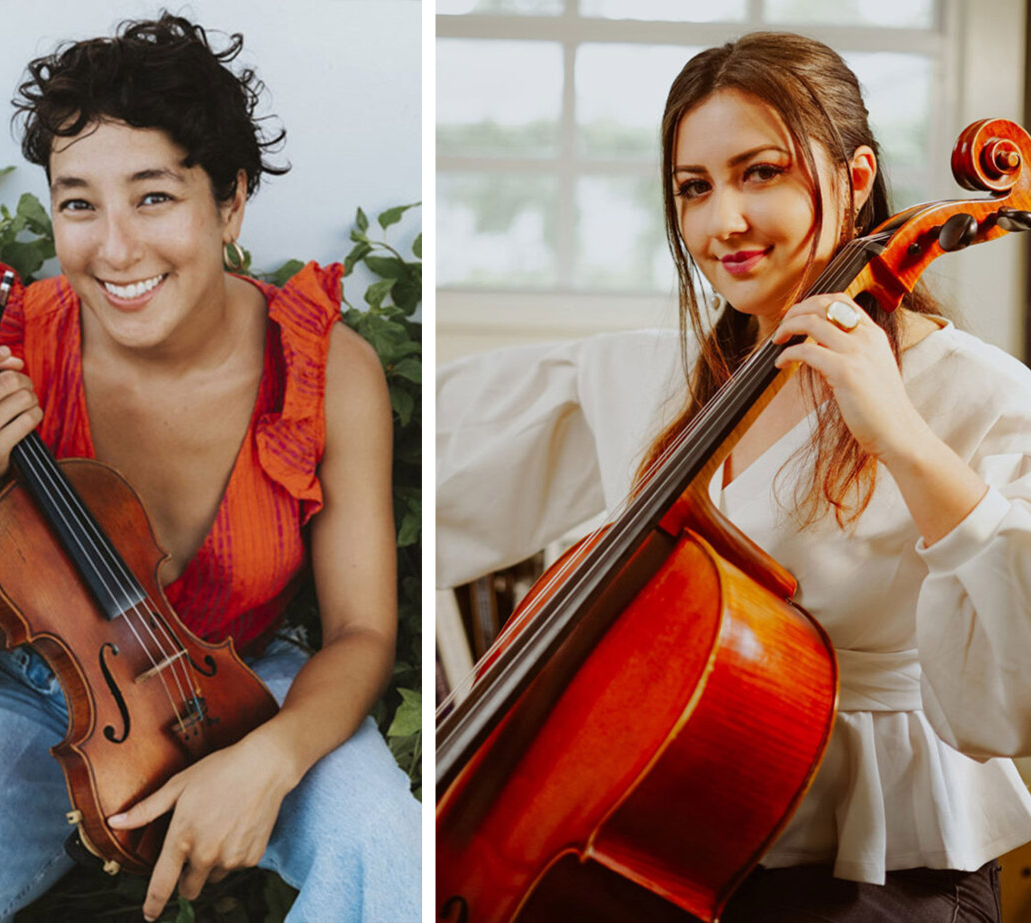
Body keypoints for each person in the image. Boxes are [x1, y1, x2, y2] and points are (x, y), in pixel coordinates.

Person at [0, 14, 419, 923]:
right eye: (78, 203)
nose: (114, 249)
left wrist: (266, 761)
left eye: (152, 197)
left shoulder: (326, 368)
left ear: (230, 200)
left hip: (256, 682)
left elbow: (363, 632)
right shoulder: (16, 342)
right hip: (54, 701)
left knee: (396, 866)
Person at [438, 31, 1031, 921]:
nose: (724, 224)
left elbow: (1016, 686)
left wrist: (902, 436)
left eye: (762, 173)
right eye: (695, 188)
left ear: (857, 176)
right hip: (655, 839)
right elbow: (436, 453)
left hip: (878, 873)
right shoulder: (652, 374)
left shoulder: (979, 390)